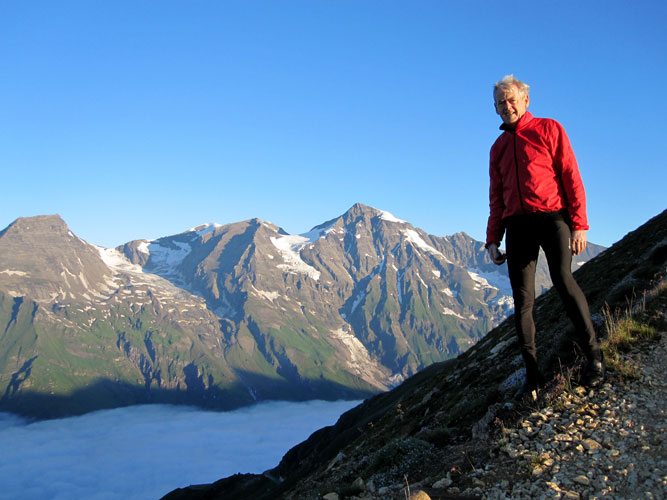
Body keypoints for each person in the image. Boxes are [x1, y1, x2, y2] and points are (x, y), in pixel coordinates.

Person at [485, 75, 605, 400]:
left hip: (553, 218)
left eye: (511, 100)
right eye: (500, 103)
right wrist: (493, 239)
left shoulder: (549, 129)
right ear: (495, 109)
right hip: (517, 225)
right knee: (523, 300)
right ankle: (532, 376)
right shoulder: (497, 148)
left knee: (563, 280)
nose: (507, 106)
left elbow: (571, 176)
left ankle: (594, 357)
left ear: (525, 100)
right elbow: (497, 197)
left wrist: (579, 224)